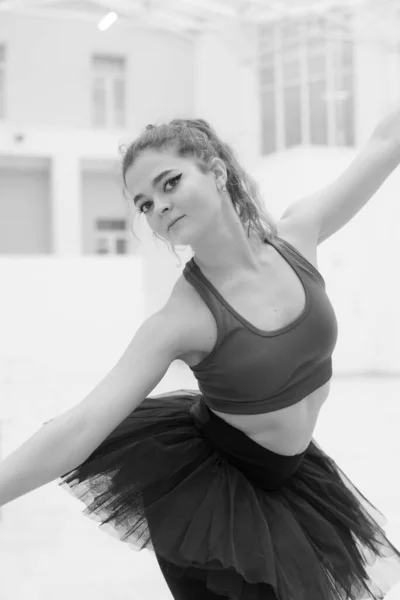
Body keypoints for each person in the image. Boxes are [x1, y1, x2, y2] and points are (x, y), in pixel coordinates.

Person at [1, 115, 400, 600]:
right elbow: (81, 425)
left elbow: (384, 143)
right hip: (217, 503)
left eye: (170, 182)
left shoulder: (300, 234)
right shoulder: (181, 319)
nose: (159, 207)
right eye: (145, 203)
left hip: (296, 483)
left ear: (216, 171)